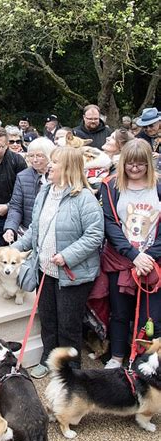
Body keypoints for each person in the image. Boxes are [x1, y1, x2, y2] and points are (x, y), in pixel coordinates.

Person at [13, 146, 104, 378]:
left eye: (56, 162)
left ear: (69, 168)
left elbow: (94, 235)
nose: (50, 165)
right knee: (49, 320)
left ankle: (71, 372)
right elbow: (36, 228)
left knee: (68, 326)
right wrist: (15, 248)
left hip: (72, 275)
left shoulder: (84, 198)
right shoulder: (45, 192)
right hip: (45, 270)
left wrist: (67, 256)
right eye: (51, 161)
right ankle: (48, 359)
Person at [99, 139, 160, 369]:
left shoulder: (159, 185)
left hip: (153, 261)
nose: (134, 169)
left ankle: (145, 361)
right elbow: (110, 223)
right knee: (120, 312)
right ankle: (117, 356)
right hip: (121, 259)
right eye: (130, 164)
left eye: (141, 165)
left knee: (150, 316)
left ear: (149, 164)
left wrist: (148, 256)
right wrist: (134, 255)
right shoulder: (111, 185)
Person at [3, 138, 55, 243]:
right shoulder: (22, 176)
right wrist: (10, 228)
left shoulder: (58, 175)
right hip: (29, 230)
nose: (34, 160)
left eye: (39, 156)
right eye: (31, 156)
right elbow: (16, 206)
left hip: (53, 231)